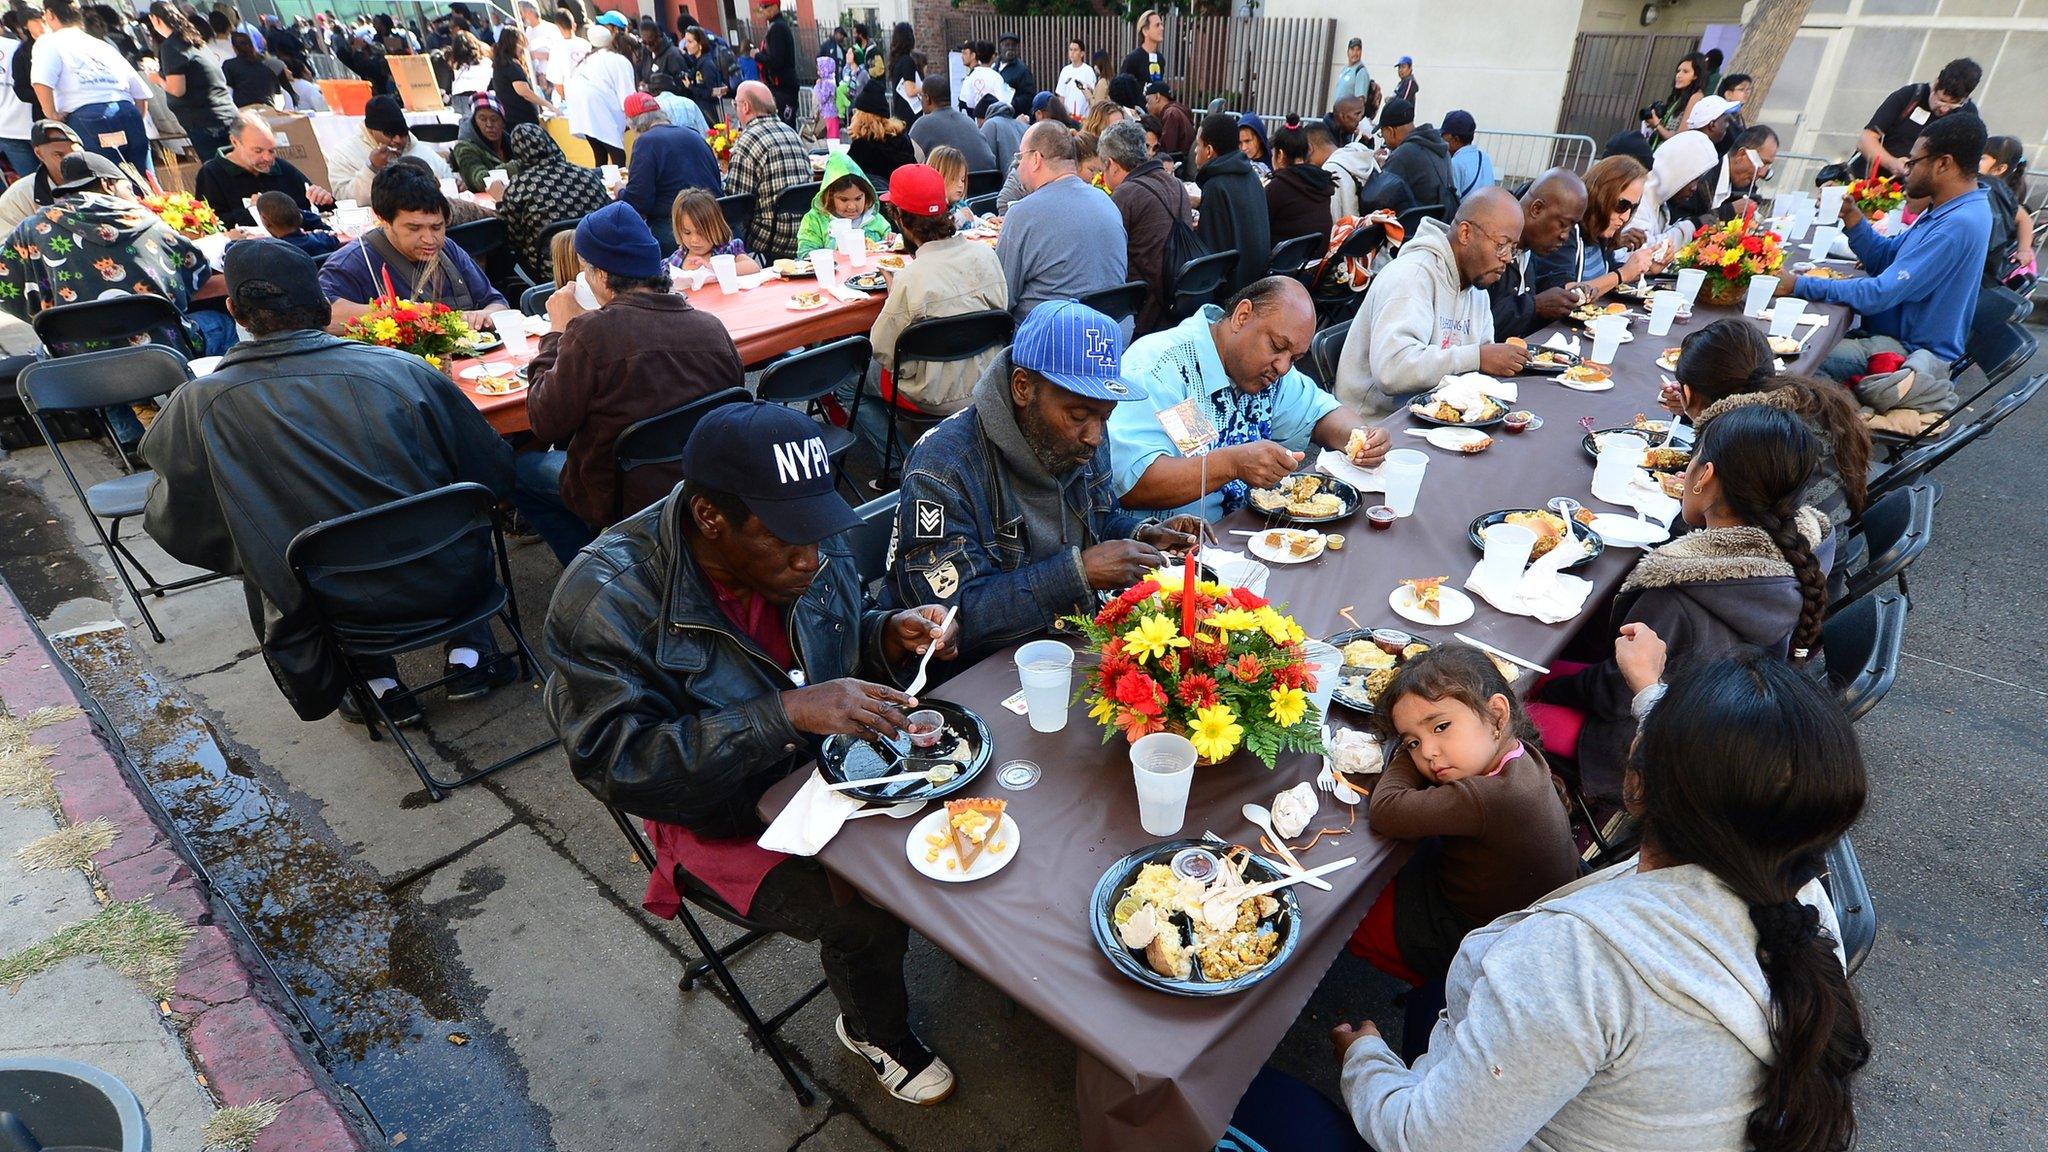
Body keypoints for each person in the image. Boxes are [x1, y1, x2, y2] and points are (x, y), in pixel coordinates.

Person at [545, 399, 963, 1106]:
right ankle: (875, 1030)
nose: (814, 559)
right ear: (712, 518)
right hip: (718, 815)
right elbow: (620, 765)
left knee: (962, 819)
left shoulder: (807, 544)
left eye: (818, 534)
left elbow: (829, 644)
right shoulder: (605, 597)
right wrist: (780, 715)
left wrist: (887, 632)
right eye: (787, 543)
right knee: (867, 912)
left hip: (826, 772)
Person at [1328, 648, 1871, 1152]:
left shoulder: (1576, 963)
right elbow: (1716, 757)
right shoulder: (1798, 898)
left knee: (1261, 1101)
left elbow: (1427, 1141)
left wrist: (1366, 1061)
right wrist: (1648, 691)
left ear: (1635, 779)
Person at [142, 240, 525, 726]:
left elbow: (176, 524)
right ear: (325, 307)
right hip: (455, 581)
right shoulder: (403, 369)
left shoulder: (198, 405)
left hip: (331, 608)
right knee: (451, 514)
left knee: (276, 545)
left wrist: (260, 543)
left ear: (234, 310)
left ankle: (377, 683)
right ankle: (469, 654)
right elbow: (494, 473)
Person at [890, 297, 1212, 668]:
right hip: (984, 671)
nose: (1094, 435)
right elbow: (951, 618)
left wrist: (1142, 534)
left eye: (1106, 417)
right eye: (1078, 415)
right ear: (1023, 387)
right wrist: (1078, 573)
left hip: (1073, 638)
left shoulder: (1086, 429)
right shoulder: (943, 468)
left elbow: (1096, 520)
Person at [1535, 402, 1832, 804]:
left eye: (1693, 460)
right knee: (1548, 668)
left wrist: (1553, 689)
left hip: (1641, 748)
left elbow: (1619, 693)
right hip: (1715, 732)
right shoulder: (1794, 553)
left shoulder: (1678, 592)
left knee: (1510, 700)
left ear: (1704, 475)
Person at [513, 201, 744, 564]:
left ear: (603, 276)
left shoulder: (589, 334)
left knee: (519, 470)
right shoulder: (710, 327)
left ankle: (596, 573)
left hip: (617, 495)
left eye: (587, 269)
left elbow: (544, 420)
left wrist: (557, 333)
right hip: (703, 483)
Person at [1347, 646, 1579, 987]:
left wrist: (1403, 748)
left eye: (1440, 726)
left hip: (1475, 942)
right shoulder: (1519, 753)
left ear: (1498, 715)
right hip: (1529, 923)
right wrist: (1419, 734)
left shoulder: (1490, 798)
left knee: (1345, 908)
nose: (1427, 752)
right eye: (1414, 743)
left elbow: (1387, 809)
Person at [1110, 277, 1391, 520]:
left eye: (1295, 359)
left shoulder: (1268, 371)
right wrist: (1232, 464)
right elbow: (1131, 483)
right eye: (1277, 347)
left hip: (1240, 534)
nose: (1283, 366)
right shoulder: (1159, 368)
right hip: (1171, 558)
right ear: (1242, 316)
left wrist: (1361, 438)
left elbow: (1321, 413)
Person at [1779, 113, 1990, 411]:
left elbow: (1880, 294)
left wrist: (1797, 284)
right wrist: (1853, 219)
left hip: (1905, 354)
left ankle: (1832, 440)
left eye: (1914, 162)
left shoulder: (1959, 223)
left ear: (1943, 163)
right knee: (1798, 343)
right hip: (1889, 339)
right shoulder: (1947, 209)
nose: (1907, 170)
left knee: (1794, 356)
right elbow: (1885, 258)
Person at [0, 150, 233, 363]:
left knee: (50, 351)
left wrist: (46, 314)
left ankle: (119, 408)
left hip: (78, 361)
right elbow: (195, 279)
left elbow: (5, 287)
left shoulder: (30, 230)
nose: (134, 197)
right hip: (164, 353)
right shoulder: (148, 223)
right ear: (107, 184)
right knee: (221, 321)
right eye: (129, 189)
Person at [1659, 318, 1870, 532]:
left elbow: (1724, 531)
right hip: (1831, 546)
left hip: (1789, 556)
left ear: (1686, 393)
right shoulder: (1802, 403)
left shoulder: (1744, 441)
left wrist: (1700, 498)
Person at [1337, 187, 1525, 417]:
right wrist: (1477, 357)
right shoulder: (1411, 277)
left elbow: (1482, 366)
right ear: (1465, 233)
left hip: (1434, 414)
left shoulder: (1478, 289)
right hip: (1378, 423)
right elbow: (1392, 370)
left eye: (1513, 249)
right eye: (1501, 245)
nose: (1507, 258)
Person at [857, 163, 1008, 429]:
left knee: (849, 379)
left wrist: (894, 299)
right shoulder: (986, 256)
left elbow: (882, 351)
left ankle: (901, 460)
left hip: (931, 394)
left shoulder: (909, 279)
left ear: (899, 218)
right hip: (986, 381)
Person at [319, 163, 508, 331]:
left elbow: (497, 303)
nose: (429, 239)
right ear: (383, 220)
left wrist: (485, 317)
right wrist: (405, 313)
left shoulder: (448, 250)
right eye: (414, 228)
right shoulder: (352, 262)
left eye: (437, 227)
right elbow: (326, 317)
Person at [997, 121, 1126, 320]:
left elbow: (1003, 297)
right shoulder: (1107, 203)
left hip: (1049, 341)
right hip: (1110, 336)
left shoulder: (1022, 214)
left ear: (1036, 159)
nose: (1018, 165)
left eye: (1020, 157)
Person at [28, 0, 152, 173]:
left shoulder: (48, 42)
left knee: (110, 182)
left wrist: (52, 115)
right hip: (127, 111)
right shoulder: (101, 44)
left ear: (49, 14)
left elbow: (41, 81)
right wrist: (134, 118)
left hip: (89, 117)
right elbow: (139, 92)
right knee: (146, 179)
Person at [1529, 153, 1659, 299]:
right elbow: (1560, 292)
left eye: (1633, 207)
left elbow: (1608, 274)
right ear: (1602, 196)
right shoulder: (1567, 229)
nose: (1626, 216)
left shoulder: (1600, 230)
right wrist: (1622, 274)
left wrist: (1646, 268)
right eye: (1622, 205)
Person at [1097, 120, 1181, 338]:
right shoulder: (1175, 184)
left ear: (1112, 165)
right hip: (1179, 300)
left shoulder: (1126, 194)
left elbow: (1105, 257)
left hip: (1143, 310)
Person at [497, 122, 609, 285]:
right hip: (600, 261)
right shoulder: (587, 175)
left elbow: (513, 238)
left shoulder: (519, 187)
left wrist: (501, 202)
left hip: (552, 270)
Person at [1486, 167, 1585, 340]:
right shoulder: (1492, 245)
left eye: (1571, 228)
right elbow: (1475, 326)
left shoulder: (1528, 248)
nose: (1565, 236)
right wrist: (1535, 306)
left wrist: (1563, 296)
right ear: (1537, 209)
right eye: (1562, 224)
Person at [618, 92, 722, 250]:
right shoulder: (693, 135)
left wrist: (620, 191)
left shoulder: (645, 142)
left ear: (632, 123)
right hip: (713, 222)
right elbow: (717, 182)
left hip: (676, 229)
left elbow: (638, 202)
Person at [195, 113, 335, 230]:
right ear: (235, 142)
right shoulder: (212, 173)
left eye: (272, 150)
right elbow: (210, 224)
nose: (268, 158)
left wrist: (323, 200)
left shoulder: (280, 167)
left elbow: (311, 208)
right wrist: (254, 212)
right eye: (258, 151)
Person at [725, 80, 811, 261]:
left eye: (736, 104)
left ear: (746, 107)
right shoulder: (792, 133)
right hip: (805, 231)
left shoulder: (748, 140)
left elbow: (737, 202)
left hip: (769, 239)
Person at [1859, 56, 1979, 180]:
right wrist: (1892, 163)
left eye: (1953, 105)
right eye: (1941, 101)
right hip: (1873, 181)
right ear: (1935, 84)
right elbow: (1866, 139)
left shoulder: (1968, 114)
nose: (1944, 109)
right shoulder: (1910, 95)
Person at [146, 1, 236, 162]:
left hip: (205, 122)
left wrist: (157, 79)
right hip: (223, 116)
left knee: (222, 173)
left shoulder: (171, 46)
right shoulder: (194, 40)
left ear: (156, 20)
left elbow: (176, 89)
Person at [1192, 111, 1270, 296]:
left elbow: (1212, 259)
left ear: (1209, 151)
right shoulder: (1250, 175)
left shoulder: (1216, 186)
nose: (1195, 150)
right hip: (1256, 282)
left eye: (1198, 144)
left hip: (1231, 294)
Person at [327, 95, 453, 204]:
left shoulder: (418, 148)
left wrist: (455, 185)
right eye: (389, 134)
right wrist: (371, 168)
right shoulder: (345, 152)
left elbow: (448, 178)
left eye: (402, 133)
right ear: (371, 130)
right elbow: (343, 198)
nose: (398, 140)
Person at [566, 15, 634, 167]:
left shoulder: (587, 59)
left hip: (583, 108)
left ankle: (604, 186)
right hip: (598, 108)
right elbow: (628, 97)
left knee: (600, 154)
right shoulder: (618, 60)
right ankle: (620, 188)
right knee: (617, 156)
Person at [795, 149, 890, 257]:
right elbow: (805, 254)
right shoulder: (814, 220)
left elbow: (888, 244)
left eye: (858, 198)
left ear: (867, 195)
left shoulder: (873, 218)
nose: (852, 206)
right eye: (844, 200)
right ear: (830, 197)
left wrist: (891, 239)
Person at [1264, 115, 1335, 244]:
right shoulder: (1321, 179)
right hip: (1317, 257)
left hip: (1285, 260)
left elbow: (1258, 226)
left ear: (1280, 155)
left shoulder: (1278, 186)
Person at [907, 74, 996, 173]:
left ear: (927, 98)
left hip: (953, 185)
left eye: (921, 96)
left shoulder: (922, 125)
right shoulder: (968, 121)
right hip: (989, 183)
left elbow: (908, 164)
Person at [0, 118, 74, 236]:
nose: (69, 161)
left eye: (75, 153)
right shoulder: (20, 195)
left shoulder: (100, 179)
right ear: (39, 154)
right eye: (58, 155)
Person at [1377, 99, 1451, 216]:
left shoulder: (1403, 154)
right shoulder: (1440, 147)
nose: (1384, 140)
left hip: (1413, 228)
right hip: (1440, 222)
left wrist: (1378, 170)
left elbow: (1378, 199)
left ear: (1391, 131)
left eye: (1382, 134)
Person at [1980, 135, 2034, 291]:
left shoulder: (1995, 191)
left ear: (2000, 169)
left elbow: (2025, 220)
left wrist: (2023, 250)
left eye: (1982, 158)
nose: (1975, 160)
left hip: (1987, 263)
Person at [666, 187, 759, 274]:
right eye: (687, 233)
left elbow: (753, 267)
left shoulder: (726, 250)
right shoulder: (678, 257)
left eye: (701, 232)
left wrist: (715, 269)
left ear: (716, 228)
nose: (694, 240)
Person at [843, 79, 913, 187]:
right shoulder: (902, 139)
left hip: (875, 200)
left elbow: (847, 176)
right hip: (905, 196)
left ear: (860, 117)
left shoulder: (861, 147)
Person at [448, 91, 513, 195]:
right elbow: (480, 181)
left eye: (494, 119)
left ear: (503, 122)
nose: (489, 124)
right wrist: (519, 165)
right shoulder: (464, 148)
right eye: (482, 119)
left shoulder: (511, 142)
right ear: (475, 122)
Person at [492, 26, 554, 130]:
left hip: (514, 120)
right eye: (520, 44)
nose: (523, 48)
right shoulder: (510, 65)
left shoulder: (501, 64)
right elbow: (524, 92)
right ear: (512, 44)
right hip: (522, 121)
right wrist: (548, 105)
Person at [1323, 110, 1380, 220]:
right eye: (1357, 113)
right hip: (1367, 229)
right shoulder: (1360, 153)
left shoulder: (1331, 168)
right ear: (1343, 115)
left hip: (1347, 231)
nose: (1360, 119)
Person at [253, 188, 337, 257]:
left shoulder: (269, 254)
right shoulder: (325, 239)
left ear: (266, 221)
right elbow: (325, 227)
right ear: (300, 217)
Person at [1645, 51, 1706, 143]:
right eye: (1678, 71)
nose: (1678, 75)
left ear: (1696, 75)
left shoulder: (1696, 97)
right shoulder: (1678, 97)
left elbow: (1680, 136)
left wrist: (1657, 124)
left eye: (1685, 71)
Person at [754, 0, 796, 121]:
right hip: (779, 88)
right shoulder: (776, 26)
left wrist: (757, 55)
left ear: (775, 7)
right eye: (762, 7)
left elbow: (776, 61)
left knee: (785, 127)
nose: (763, 10)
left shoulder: (778, 27)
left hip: (782, 89)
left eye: (765, 6)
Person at [1442, 109, 1494, 206]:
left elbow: (1452, 203)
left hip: (1466, 217)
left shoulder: (1455, 163)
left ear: (1455, 139)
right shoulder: (1484, 157)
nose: (1442, 140)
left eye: (1444, 136)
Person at [675, 26, 724, 126]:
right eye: (685, 42)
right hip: (701, 111)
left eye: (690, 42)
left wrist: (691, 87)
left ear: (700, 44)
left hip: (708, 114)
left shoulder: (706, 65)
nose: (686, 45)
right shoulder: (697, 61)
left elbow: (711, 92)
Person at [220, 30, 277, 107]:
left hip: (245, 111)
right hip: (267, 108)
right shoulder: (264, 67)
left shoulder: (229, 65)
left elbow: (226, 90)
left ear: (234, 48)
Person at [1144, 82, 1192, 156]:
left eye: (1147, 100)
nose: (1146, 105)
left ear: (1157, 97)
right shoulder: (1176, 110)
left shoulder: (1171, 114)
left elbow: (1166, 149)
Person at [885, 21, 918, 123]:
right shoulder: (907, 61)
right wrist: (925, 88)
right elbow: (910, 90)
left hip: (899, 111)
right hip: (910, 112)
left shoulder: (896, 61)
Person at [1122, 9, 1164, 87]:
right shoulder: (1132, 59)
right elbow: (1122, 90)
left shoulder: (1160, 59)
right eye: (1157, 25)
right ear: (1145, 31)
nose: (1162, 28)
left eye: (1161, 24)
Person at [995, 32, 1034, 115]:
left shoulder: (1022, 70)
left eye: (1013, 45)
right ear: (1001, 46)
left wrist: (1010, 103)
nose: (1010, 48)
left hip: (1013, 116)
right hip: (995, 112)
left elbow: (1028, 96)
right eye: (1007, 45)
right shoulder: (994, 65)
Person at [1055, 37, 1094, 118]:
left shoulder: (1088, 70)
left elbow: (1092, 94)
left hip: (1084, 118)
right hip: (1068, 117)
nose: (1072, 52)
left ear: (1082, 53)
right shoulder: (1065, 70)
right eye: (1070, 49)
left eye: (1075, 50)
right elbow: (1061, 96)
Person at [1333, 37, 1369, 104]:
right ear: (1348, 51)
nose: (1355, 53)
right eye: (1352, 49)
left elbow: (1360, 101)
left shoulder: (1361, 71)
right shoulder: (1345, 69)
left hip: (1348, 114)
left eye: (1358, 50)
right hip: (1339, 112)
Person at [1237, 111, 1270, 177]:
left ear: (1260, 138)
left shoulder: (1275, 165)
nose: (1243, 147)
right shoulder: (1236, 166)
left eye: (1247, 141)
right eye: (1239, 143)